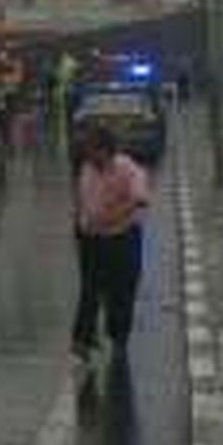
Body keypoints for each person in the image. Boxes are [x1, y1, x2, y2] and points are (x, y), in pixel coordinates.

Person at [71, 124, 150, 364]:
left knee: (121, 291)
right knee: (90, 290)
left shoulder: (127, 168)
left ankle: (118, 339)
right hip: (91, 238)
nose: (90, 156)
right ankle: (82, 340)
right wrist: (79, 222)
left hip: (121, 237)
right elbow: (83, 200)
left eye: (94, 151)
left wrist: (113, 217)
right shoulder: (86, 168)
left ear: (107, 150)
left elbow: (140, 199)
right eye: (87, 151)